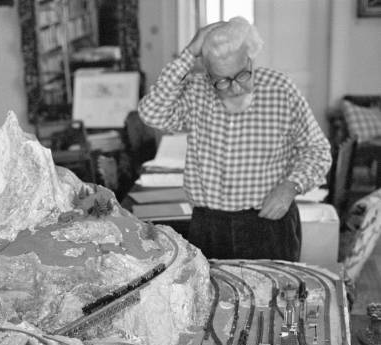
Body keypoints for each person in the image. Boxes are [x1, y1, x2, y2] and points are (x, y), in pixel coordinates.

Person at [138, 17, 332, 260]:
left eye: (242, 75)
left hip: (267, 224)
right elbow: (150, 112)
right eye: (222, 80)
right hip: (209, 226)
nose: (235, 88)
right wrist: (189, 54)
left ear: (250, 58)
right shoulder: (197, 91)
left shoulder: (281, 89)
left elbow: (318, 150)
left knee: (273, 297)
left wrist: (290, 187)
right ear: (207, 75)